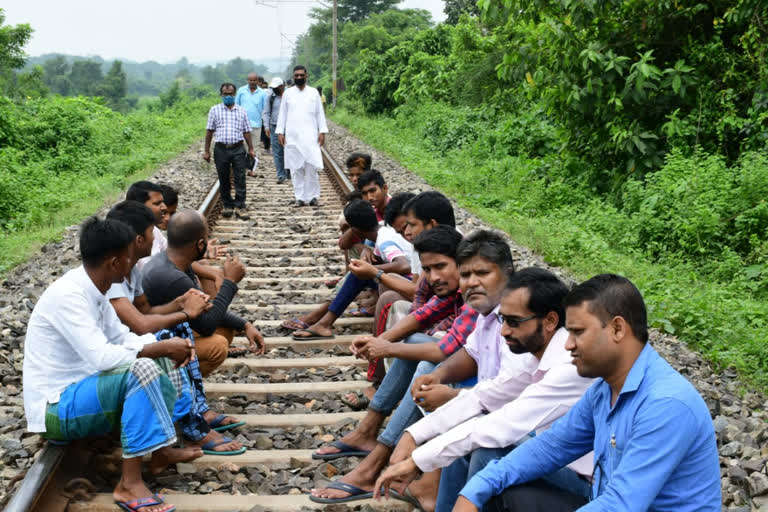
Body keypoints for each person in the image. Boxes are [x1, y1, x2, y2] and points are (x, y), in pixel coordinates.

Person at [449, 274, 722, 512]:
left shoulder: (666, 405)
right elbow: (550, 448)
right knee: (498, 487)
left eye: (577, 332)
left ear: (617, 329)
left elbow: (620, 506)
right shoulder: (604, 389)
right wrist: (475, 489)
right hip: (606, 500)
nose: (568, 345)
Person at [310, 230, 514, 508]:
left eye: (440, 267)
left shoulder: (510, 313)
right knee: (422, 357)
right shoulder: (479, 307)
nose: (433, 276)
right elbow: (424, 317)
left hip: (508, 416)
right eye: (467, 275)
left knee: (427, 362)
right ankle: (374, 439)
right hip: (486, 396)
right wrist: (379, 342)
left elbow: (452, 354)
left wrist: (388, 348)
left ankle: (380, 457)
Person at [373, 268, 595, 510]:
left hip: (586, 485)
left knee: (488, 448)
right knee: (469, 434)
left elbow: (504, 424)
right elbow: (482, 396)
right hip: (556, 465)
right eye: (503, 320)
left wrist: (416, 461)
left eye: (513, 322)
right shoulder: (537, 357)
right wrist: (413, 434)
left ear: (550, 321)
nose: (504, 331)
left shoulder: (568, 367)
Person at [23, 217, 202, 512]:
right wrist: (159, 348)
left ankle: (161, 451)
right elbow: (103, 358)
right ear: (115, 262)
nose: (134, 261)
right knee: (143, 367)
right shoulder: (70, 295)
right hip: (55, 407)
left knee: (158, 350)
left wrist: (164, 346)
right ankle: (128, 485)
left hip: (83, 389)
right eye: (130, 256)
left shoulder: (96, 289)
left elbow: (123, 338)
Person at [106, 200, 246, 451]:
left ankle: (195, 415)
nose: (159, 239)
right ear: (138, 239)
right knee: (179, 344)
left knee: (177, 337)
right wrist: (226, 286)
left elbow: (147, 310)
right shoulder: (120, 277)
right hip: (116, 355)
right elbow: (140, 325)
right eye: (153, 233)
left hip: (127, 344)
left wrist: (179, 305)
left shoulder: (135, 270)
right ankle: (191, 427)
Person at [142, 210, 265, 376]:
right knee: (218, 346)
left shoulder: (173, 260)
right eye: (206, 239)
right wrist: (230, 282)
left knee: (226, 329)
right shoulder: (172, 277)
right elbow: (206, 326)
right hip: (156, 347)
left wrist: (244, 324)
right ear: (200, 244)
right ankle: (179, 383)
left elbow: (206, 308)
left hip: (170, 330)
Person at [292, 199, 412, 341]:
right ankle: (323, 323)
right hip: (407, 281)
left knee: (359, 275)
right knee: (360, 274)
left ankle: (324, 324)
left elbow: (404, 266)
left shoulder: (384, 241)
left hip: (410, 284)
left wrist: (371, 269)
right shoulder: (382, 228)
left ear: (355, 229)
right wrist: (367, 250)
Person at [276, 65, 328, 207]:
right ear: (293, 77)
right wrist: (280, 132)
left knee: (311, 168)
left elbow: (319, 113)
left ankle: (313, 197)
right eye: (296, 75)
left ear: (306, 76)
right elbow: (283, 114)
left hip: (310, 136)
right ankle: (299, 197)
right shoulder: (287, 93)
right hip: (292, 136)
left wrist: (322, 131)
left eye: (301, 75)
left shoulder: (313, 93)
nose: (299, 77)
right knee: (295, 169)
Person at [203, 82, 255, 220]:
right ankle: (227, 204)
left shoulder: (241, 111)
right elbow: (209, 131)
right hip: (221, 149)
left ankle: (240, 205)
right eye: (225, 94)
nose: (228, 96)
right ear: (221, 94)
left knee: (240, 178)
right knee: (223, 178)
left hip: (238, 148)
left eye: (230, 94)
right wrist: (206, 151)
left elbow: (247, 131)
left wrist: (251, 148)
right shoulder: (214, 110)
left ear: (234, 94)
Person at [126, 181, 168, 272]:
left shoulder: (154, 230)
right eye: (157, 204)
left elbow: (172, 255)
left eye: (163, 202)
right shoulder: (127, 241)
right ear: (139, 207)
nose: (164, 207)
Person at [236, 73, 267, 178]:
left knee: (255, 148)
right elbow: (236, 105)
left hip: (256, 124)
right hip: (241, 124)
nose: (252, 82)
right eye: (250, 80)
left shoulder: (262, 93)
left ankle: (251, 169)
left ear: (257, 81)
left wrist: (265, 125)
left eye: (254, 80)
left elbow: (264, 110)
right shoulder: (241, 91)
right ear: (247, 80)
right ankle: (242, 168)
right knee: (242, 147)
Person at [263, 77, 287, 183]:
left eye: (276, 87)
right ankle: (281, 175)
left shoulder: (289, 96)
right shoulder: (270, 97)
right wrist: (266, 127)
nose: (274, 89)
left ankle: (290, 172)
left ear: (282, 86)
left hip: (289, 127)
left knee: (289, 150)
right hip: (275, 127)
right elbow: (266, 112)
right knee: (277, 152)